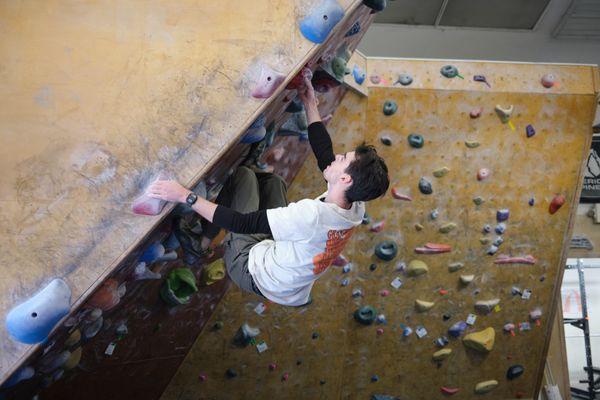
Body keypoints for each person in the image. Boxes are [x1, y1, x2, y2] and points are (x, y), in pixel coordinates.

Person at [147, 76, 389, 306]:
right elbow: (325, 157)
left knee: (244, 177)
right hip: (283, 267)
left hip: (252, 271)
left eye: (343, 158)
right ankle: (251, 174)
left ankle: (201, 242)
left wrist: (183, 195)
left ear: (345, 178)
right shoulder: (355, 202)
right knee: (273, 184)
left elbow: (241, 223)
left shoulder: (311, 215)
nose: (336, 157)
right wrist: (309, 103)